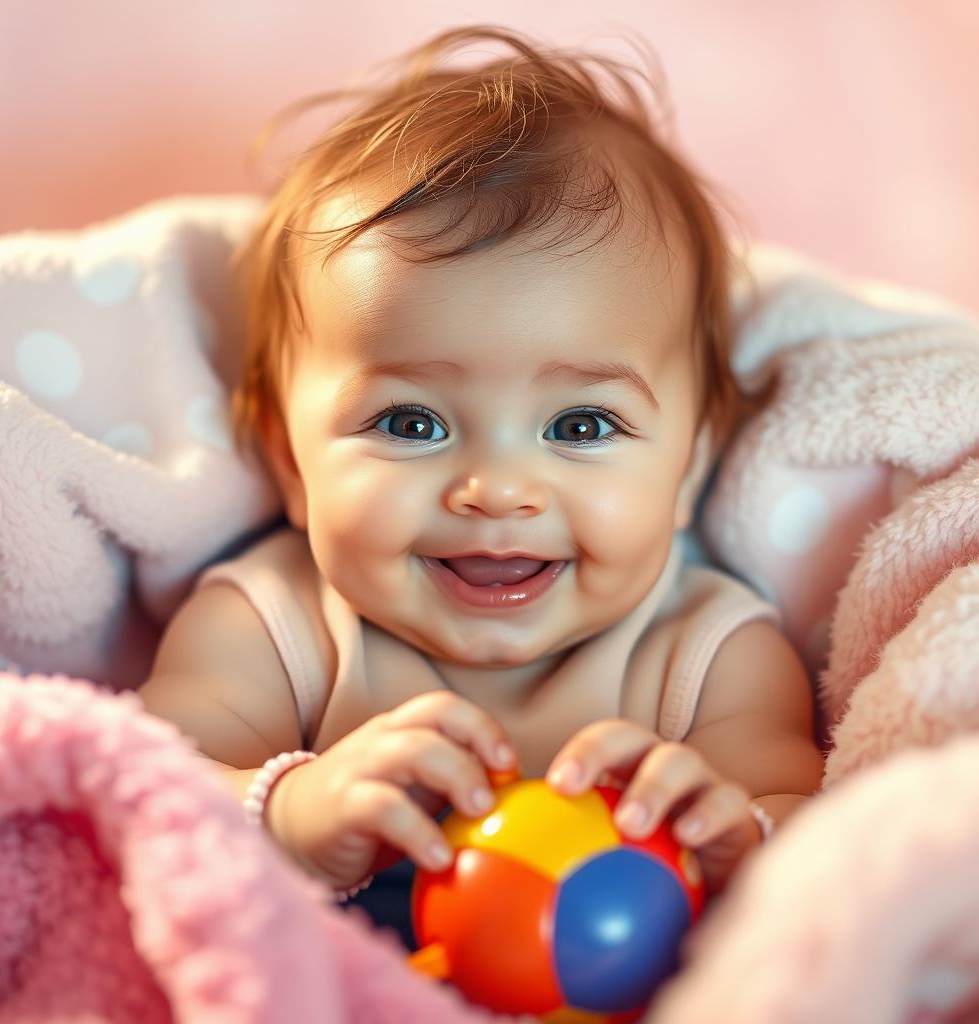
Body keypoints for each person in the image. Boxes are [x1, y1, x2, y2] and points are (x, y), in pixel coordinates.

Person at [138, 25, 823, 934]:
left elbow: (817, 830)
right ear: (288, 461)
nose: (497, 490)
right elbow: (145, 788)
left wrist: (740, 841)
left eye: (581, 426)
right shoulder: (272, 625)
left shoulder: (707, 654)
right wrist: (291, 816)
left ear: (690, 465)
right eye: (410, 423)